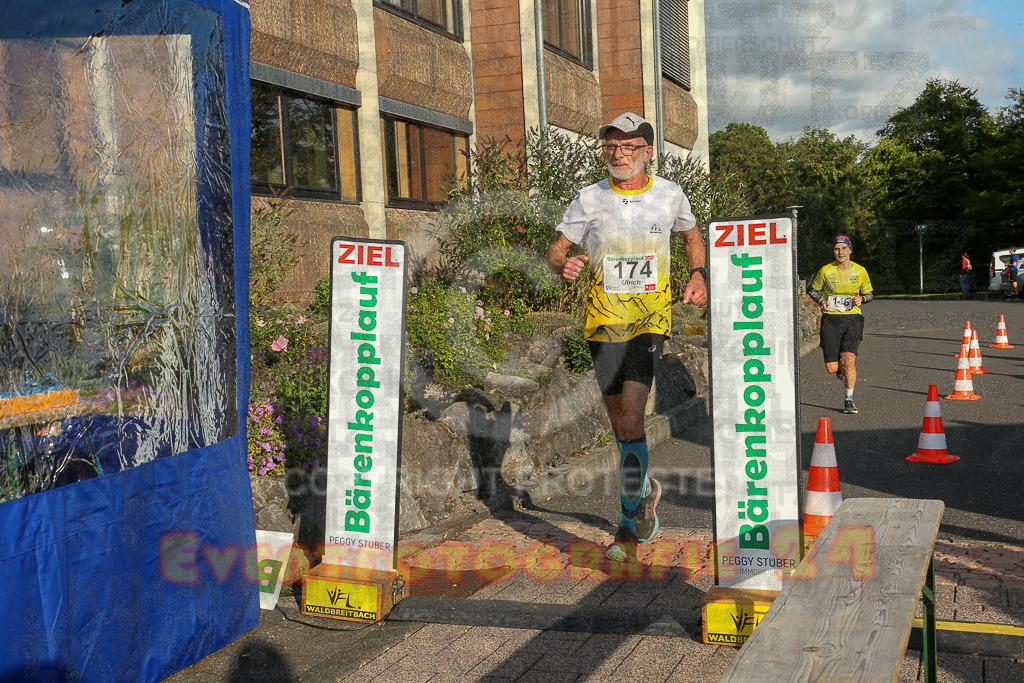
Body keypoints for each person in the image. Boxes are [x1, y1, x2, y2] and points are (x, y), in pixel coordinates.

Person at [546, 112, 707, 562]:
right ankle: (645, 490)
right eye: (611, 147)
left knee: (633, 419)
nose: (618, 154)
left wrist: (698, 274)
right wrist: (563, 264)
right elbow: (557, 248)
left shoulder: (670, 194)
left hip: (649, 321)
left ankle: (627, 526)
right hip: (603, 322)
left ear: (648, 152)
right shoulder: (589, 198)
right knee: (620, 424)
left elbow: (692, 236)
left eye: (628, 146)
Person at [808, 235, 873, 414]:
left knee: (849, 360)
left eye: (844, 248)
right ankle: (840, 369)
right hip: (831, 320)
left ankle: (849, 399)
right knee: (832, 368)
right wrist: (821, 302)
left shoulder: (860, 271)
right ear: (833, 252)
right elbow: (812, 290)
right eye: (837, 249)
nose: (840, 252)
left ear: (850, 250)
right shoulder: (826, 270)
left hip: (853, 319)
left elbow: (869, 294)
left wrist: (862, 299)